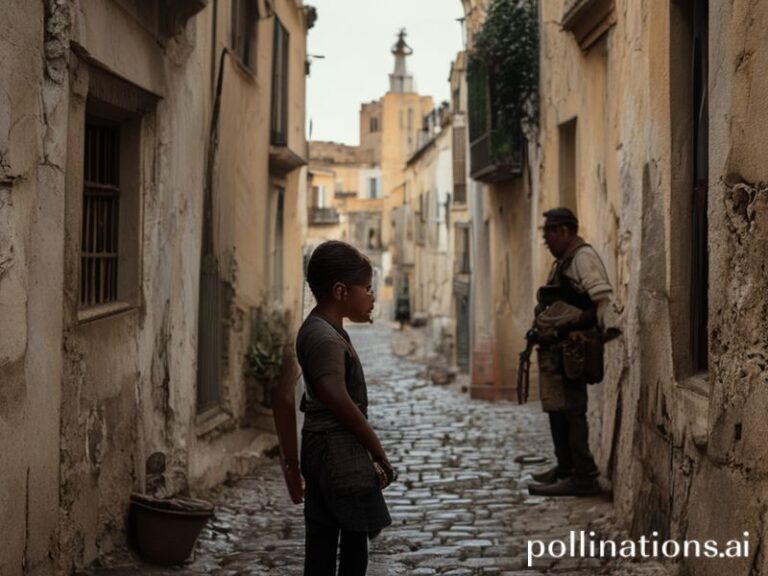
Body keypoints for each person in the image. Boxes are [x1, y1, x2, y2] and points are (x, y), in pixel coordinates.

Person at [287, 240, 396, 576]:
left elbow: (285, 394)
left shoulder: (320, 328)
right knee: (352, 542)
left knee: (322, 543)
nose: (372, 296)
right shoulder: (325, 338)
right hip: (338, 454)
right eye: (366, 288)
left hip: (321, 449)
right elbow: (335, 395)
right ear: (340, 291)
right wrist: (376, 450)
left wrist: (293, 464)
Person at [527, 208, 613, 497]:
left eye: (549, 234)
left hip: (573, 350)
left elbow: (601, 302)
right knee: (558, 410)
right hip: (557, 350)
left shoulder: (583, 258)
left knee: (573, 412)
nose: (547, 241)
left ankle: (583, 475)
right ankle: (565, 467)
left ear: (564, 231)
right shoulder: (563, 260)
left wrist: (573, 325)